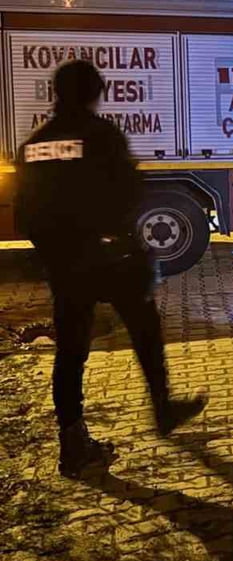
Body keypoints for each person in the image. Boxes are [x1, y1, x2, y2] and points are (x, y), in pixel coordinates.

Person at [14, 60, 206, 478]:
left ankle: (72, 443)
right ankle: (163, 409)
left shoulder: (33, 146)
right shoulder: (102, 135)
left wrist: (55, 253)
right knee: (145, 334)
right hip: (113, 260)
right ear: (93, 94)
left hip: (67, 266)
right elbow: (129, 195)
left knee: (70, 353)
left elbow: (24, 215)